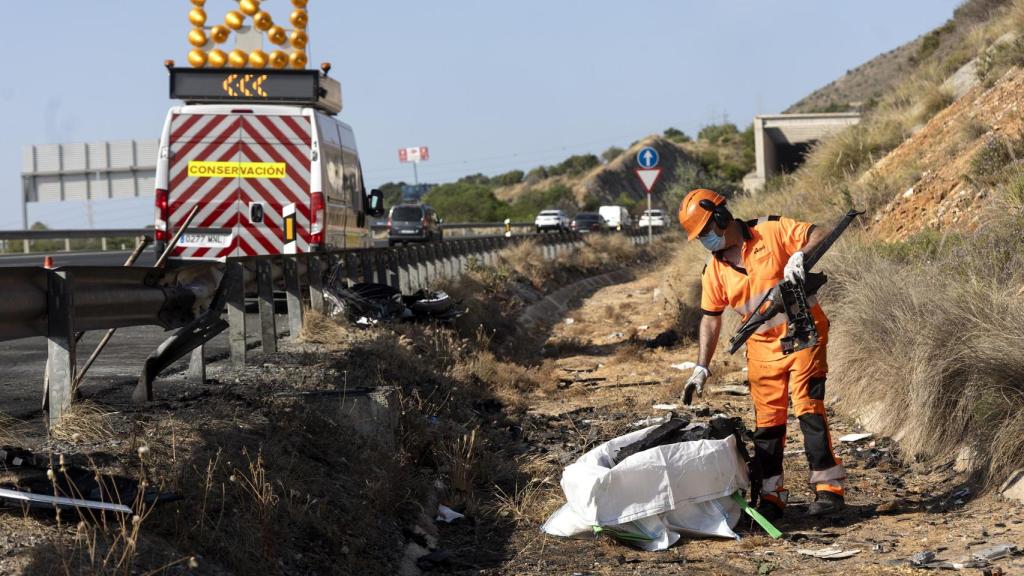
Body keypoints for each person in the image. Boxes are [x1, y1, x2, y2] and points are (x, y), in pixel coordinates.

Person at [676, 188, 846, 520]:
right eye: (699, 237)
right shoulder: (714, 271)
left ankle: (829, 489)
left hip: (803, 332)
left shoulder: (771, 230)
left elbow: (820, 233)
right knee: (767, 424)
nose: (704, 241)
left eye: (706, 232)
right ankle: (771, 495)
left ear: (722, 218)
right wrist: (701, 367)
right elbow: (710, 319)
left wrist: (800, 255)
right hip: (761, 347)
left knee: (808, 405)